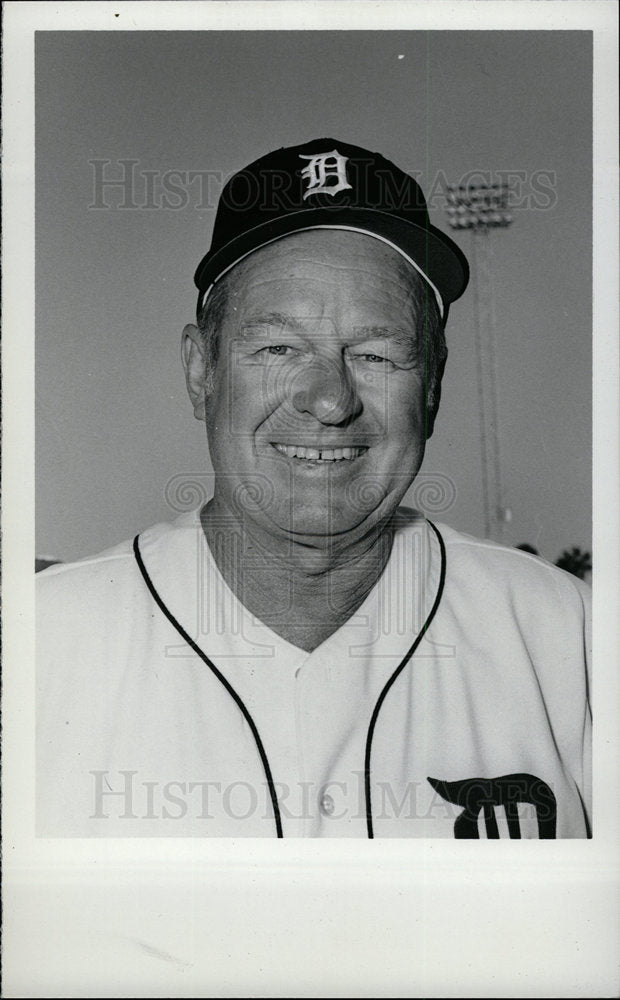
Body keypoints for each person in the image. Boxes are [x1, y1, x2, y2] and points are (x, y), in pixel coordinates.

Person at [37, 138, 591, 838]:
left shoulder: (574, 641)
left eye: (375, 354)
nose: (330, 399)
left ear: (435, 386)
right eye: (278, 349)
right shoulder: (35, 646)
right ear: (201, 370)